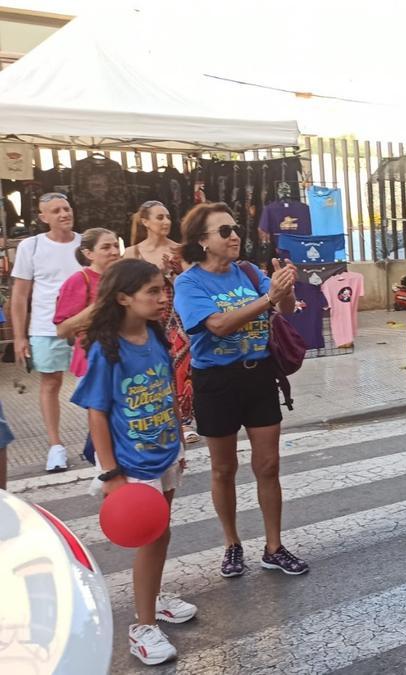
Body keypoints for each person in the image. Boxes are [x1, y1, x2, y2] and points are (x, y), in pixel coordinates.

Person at [173, 202, 308, 578]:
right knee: (223, 468)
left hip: (258, 375)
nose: (234, 236)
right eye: (224, 231)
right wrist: (267, 298)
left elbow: (285, 310)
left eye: (234, 229)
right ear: (202, 241)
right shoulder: (189, 283)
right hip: (216, 382)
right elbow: (217, 325)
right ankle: (232, 543)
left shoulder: (247, 272)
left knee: (269, 465)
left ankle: (274, 546)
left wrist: (283, 289)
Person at [71, 259, 196, 666]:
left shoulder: (155, 336)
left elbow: (167, 393)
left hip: (164, 454)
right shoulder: (107, 349)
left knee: (163, 532)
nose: (163, 299)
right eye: (153, 293)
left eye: (164, 290)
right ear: (123, 297)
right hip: (130, 464)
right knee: (149, 538)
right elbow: (97, 412)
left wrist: (178, 443)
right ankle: (142, 628)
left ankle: (154, 598)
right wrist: (110, 473)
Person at [10, 193, 82, 472]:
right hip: (45, 326)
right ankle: (56, 445)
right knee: (50, 383)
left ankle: (97, 441)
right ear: (43, 217)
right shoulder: (31, 246)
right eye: (56, 211)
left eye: (66, 208)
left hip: (84, 326)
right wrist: (19, 337)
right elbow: (20, 295)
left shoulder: (84, 242)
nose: (64, 214)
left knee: (92, 381)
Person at [125, 201, 198, 444]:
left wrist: (175, 272)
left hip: (177, 316)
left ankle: (185, 421)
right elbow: (126, 289)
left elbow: (191, 286)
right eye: (159, 217)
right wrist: (158, 272)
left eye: (167, 217)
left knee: (181, 365)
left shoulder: (180, 249)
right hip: (147, 320)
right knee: (152, 369)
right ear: (145, 221)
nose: (165, 222)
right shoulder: (132, 253)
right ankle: (158, 417)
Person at [54, 228, 121, 378]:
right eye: (106, 247)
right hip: (94, 361)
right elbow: (62, 331)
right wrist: (101, 304)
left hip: (125, 357)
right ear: (88, 253)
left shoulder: (124, 277)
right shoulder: (79, 280)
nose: (114, 251)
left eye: (116, 246)